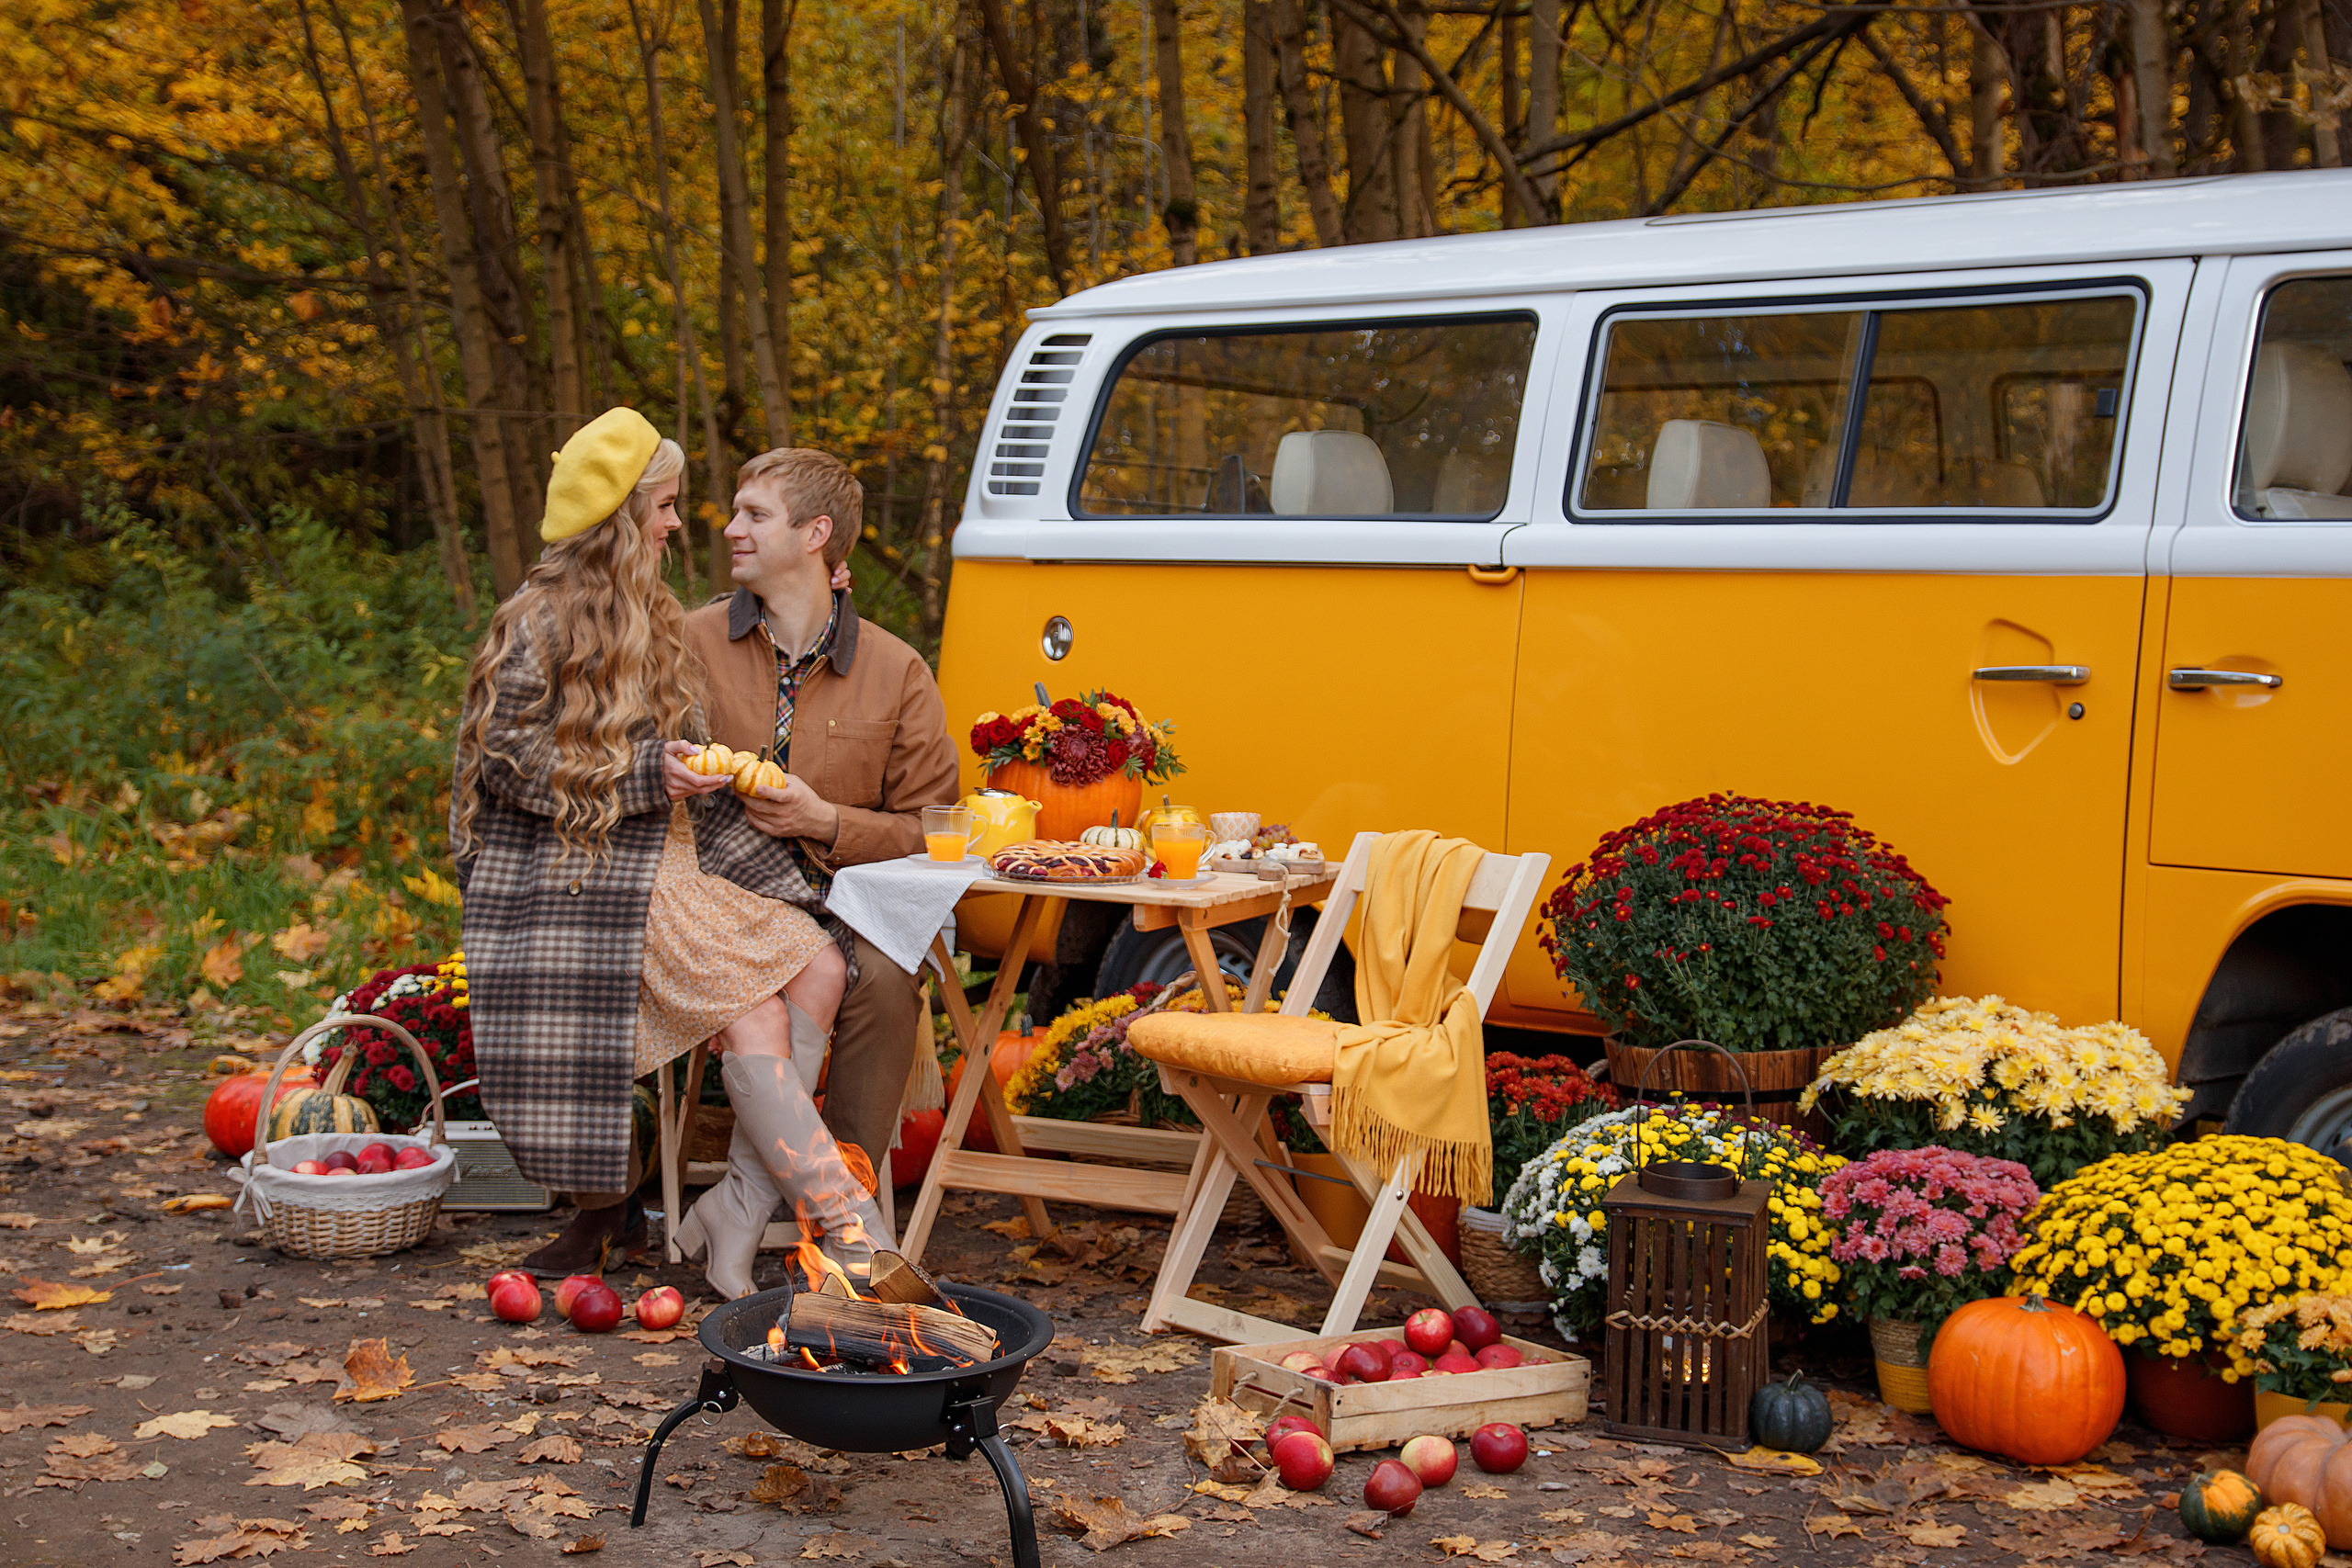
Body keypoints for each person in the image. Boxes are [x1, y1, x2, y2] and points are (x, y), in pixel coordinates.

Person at [450, 408, 888, 1292]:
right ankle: (849, 1230)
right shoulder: (534, 621)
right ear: (621, 514)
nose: (680, 522)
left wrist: (685, 762)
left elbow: (670, 738)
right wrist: (646, 775)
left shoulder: (654, 615)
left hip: (675, 849)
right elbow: (507, 761)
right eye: (666, 504)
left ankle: (734, 1207)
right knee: (756, 1012)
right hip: (585, 868)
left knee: (820, 967)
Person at [681, 448, 958, 1202]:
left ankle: (850, 1198)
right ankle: (806, 1202)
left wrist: (826, 819)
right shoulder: (690, 643)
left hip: (848, 893)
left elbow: (932, 828)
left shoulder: (897, 669)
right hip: (720, 893)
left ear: (817, 534)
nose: (732, 528)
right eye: (736, 510)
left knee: (889, 976)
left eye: (755, 514)